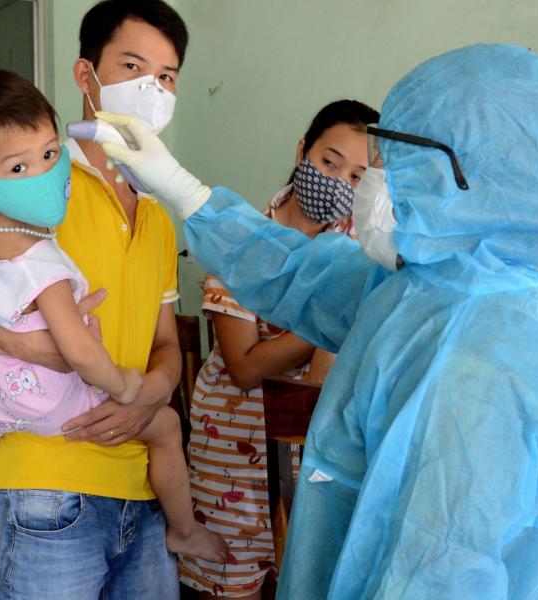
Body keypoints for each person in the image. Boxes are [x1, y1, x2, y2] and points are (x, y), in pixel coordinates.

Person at [96, 43, 538, 599]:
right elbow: (299, 275)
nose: (369, 181)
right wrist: (184, 190)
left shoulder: (484, 351)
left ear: (456, 174)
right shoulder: (425, 283)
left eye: (386, 163)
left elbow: (443, 569)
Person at [0, 2, 198, 598]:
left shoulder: (158, 217)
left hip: (145, 490)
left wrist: (152, 391)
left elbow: (167, 342)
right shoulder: (31, 184)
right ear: (85, 75)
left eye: (167, 75)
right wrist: (26, 346)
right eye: (132, 65)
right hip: (47, 488)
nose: (152, 88)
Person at [178, 99, 378, 599]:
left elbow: (319, 382)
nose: (338, 182)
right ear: (302, 151)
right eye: (329, 162)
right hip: (230, 449)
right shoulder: (241, 240)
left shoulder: (356, 254)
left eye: (357, 177)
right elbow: (245, 368)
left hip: (306, 454)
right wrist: (333, 315)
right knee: (230, 585)